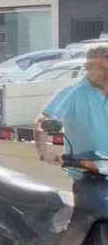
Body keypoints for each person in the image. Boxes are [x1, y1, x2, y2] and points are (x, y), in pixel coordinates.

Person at [36, 42, 108, 175]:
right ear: (89, 67)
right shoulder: (72, 93)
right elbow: (44, 121)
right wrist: (44, 152)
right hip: (88, 174)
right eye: (101, 67)